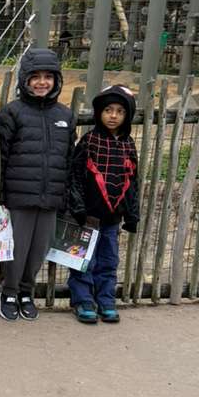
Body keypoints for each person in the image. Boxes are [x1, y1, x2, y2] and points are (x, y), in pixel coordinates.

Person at [0, 48, 76, 322]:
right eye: (35, 77)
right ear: (25, 80)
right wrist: (0, 197)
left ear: (56, 80)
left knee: (40, 248)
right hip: (19, 196)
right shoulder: (12, 113)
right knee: (16, 249)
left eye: (48, 77)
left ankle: (26, 292)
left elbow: (68, 160)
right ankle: (9, 292)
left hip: (50, 196)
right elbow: (1, 157)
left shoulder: (65, 116)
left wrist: (65, 197)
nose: (42, 82)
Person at [67, 85, 139, 324]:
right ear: (99, 113)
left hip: (113, 218)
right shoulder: (90, 141)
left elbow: (133, 181)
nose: (113, 116)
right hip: (88, 216)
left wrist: (132, 215)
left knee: (108, 261)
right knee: (83, 260)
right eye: (108, 110)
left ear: (127, 115)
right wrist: (77, 207)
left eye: (120, 111)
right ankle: (83, 301)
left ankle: (106, 300)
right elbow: (76, 176)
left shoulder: (128, 145)